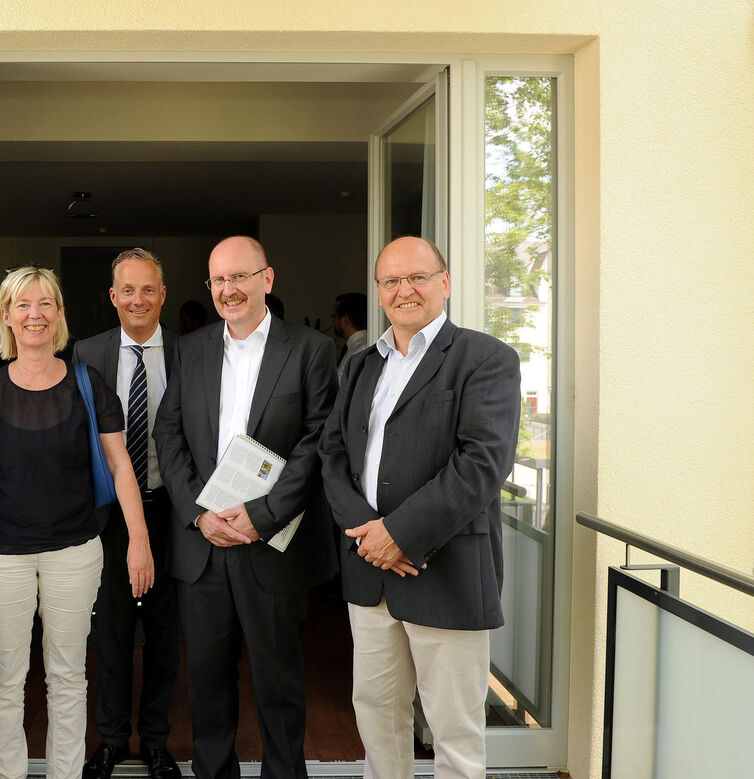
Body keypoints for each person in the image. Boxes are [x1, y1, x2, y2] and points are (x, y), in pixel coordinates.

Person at [318, 236, 521, 779]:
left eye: (418, 278)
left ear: (445, 283)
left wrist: (399, 535)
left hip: (446, 571)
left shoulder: (486, 358)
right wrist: (368, 535)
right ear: (380, 293)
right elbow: (333, 454)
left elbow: (482, 464)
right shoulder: (361, 365)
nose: (404, 290)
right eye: (391, 281)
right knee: (378, 718)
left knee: (453, 731)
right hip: (370, 575)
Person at [0, 266, 155, 779]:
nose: (35, 314)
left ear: (59, 314)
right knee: (5, 678)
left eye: (46, 304)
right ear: (6, 317)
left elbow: (119, 466)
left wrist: (139, 541)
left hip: (74, 552)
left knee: (68, 677)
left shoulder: (88, 385)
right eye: (23, 305)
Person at [154, 236, 337, 779]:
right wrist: (198, 511)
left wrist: (262, 515)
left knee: (278, 686)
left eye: (240, 277)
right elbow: (169, 433)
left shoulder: (309, 349)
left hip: (271, 545)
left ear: (267, 279)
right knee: (207, 684)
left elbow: (318, 439)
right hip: (203, 545)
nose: (228, 290)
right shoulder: (191, 348)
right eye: (218, 280)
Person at [72, 249, 182, 779]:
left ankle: (157, 742)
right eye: (127, 290)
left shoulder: (192, 355)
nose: (138, 299)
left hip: (174, 512)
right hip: (107, 517)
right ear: (112, 297)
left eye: (148, 290)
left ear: (162, 295)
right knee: (110, 630)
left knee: (165, 630)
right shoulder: (85, 354)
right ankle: (112, 740)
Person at [331, 292, 368, 381]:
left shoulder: (357, 352)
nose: (333, 320)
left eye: (334, 315)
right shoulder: (359, 347)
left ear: (345, 320)